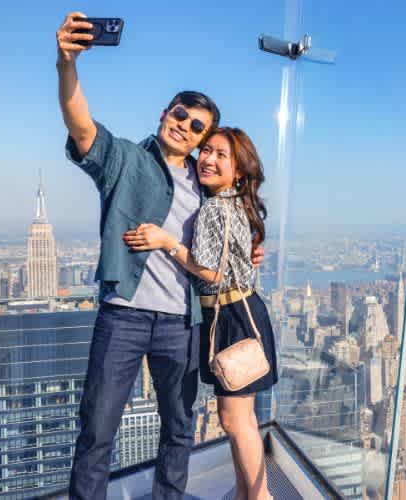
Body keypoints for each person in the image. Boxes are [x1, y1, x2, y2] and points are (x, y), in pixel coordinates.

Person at [55, 12, 264, 499]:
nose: (185, 127)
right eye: (179, 115)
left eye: (196, 126)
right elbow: (80, 124)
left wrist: (253, 243)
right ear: (164, 114)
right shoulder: (124, 159)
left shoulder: (207, 183)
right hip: (123, 316)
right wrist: (67, 64)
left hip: (181, 323)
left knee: (179, 430)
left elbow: (235, 220)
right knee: (96, 433)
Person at [124, 127, 278, 500]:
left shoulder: (213, 207)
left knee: (234, 420)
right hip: (241, 312)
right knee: (242, 419)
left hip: (231, 316)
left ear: (239, 170)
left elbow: (211, 272)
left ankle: (260, 497)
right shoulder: (236, 203)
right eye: (205, 151)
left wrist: (167, 242)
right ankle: (246, 494)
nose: (208, 159)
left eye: (220, 155)